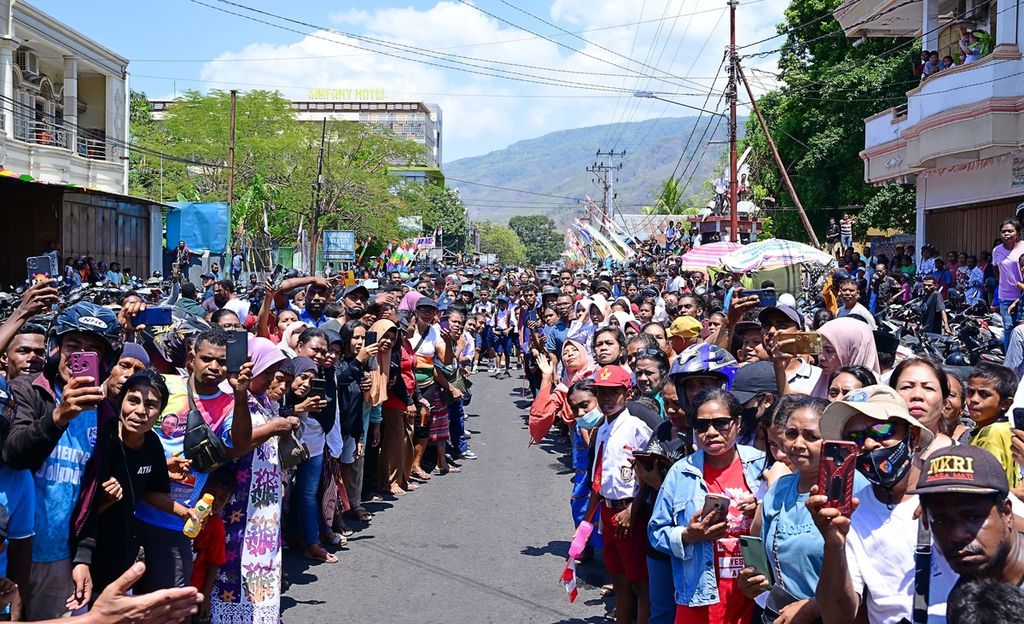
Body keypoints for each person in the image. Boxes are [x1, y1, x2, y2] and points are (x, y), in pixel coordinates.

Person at [3, 302, 123, 619]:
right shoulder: (26, 391)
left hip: (59, 558)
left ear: (106, 361)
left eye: (91, 351)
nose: (77, 356)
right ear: (57, 347)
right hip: (8, 553)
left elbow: (89, 494)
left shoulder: (106, 415)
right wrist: (57, 417)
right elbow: (14, 456)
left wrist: (82, 557)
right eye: (72, 345)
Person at [812, 385, 958, 623]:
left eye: (882, 430)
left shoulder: (959, 488)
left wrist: (971, 508)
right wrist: (833, 545)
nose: (869, 444)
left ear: (914, 436)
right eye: (855, 438)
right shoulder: (850, 513)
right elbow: (837, 617)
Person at [648, 388, 765, 623]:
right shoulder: (680, 472)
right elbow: (655, 532)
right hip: (700, 595)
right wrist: (687, 535)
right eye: (701, 426)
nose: (711, 432)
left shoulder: (761, 465)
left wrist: (762, 506)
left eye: (721, 423)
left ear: (738, 423)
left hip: (757, 597)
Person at [737, 396, 830, 623]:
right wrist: (749, 582)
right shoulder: (779, 488)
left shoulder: (853, 487)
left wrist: (815, 605)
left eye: (811, 436)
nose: (797, 444)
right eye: (791, 434)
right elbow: (758, 549)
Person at [580, 365, 652, 624]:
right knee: (619, 579)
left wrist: (632, 511)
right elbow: (598, 480)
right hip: (607, 511)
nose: (607, 399)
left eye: (614, 393)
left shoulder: (635, 427)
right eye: (601, 393)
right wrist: (587, 522)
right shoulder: (601, 429)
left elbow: (649, 472)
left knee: (640, 583)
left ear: (628, 392)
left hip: (629, 510)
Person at [965, 363, 1020, 489]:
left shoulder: (991, 433)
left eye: (984, 394)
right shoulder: (1006, 427)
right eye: (970, 392)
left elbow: (987, 484)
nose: (974, 399)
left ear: (1005, 404)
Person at [994, 219, 1024, 349]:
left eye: (1010, 231)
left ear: (1017, 233)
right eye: (1003, 231)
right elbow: (995, 268)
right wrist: (1004, 281)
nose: (1006, 234)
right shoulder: (997, 251)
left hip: (1022, 295)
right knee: (1009, 329)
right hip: (1006, 296)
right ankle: (1009, 363)